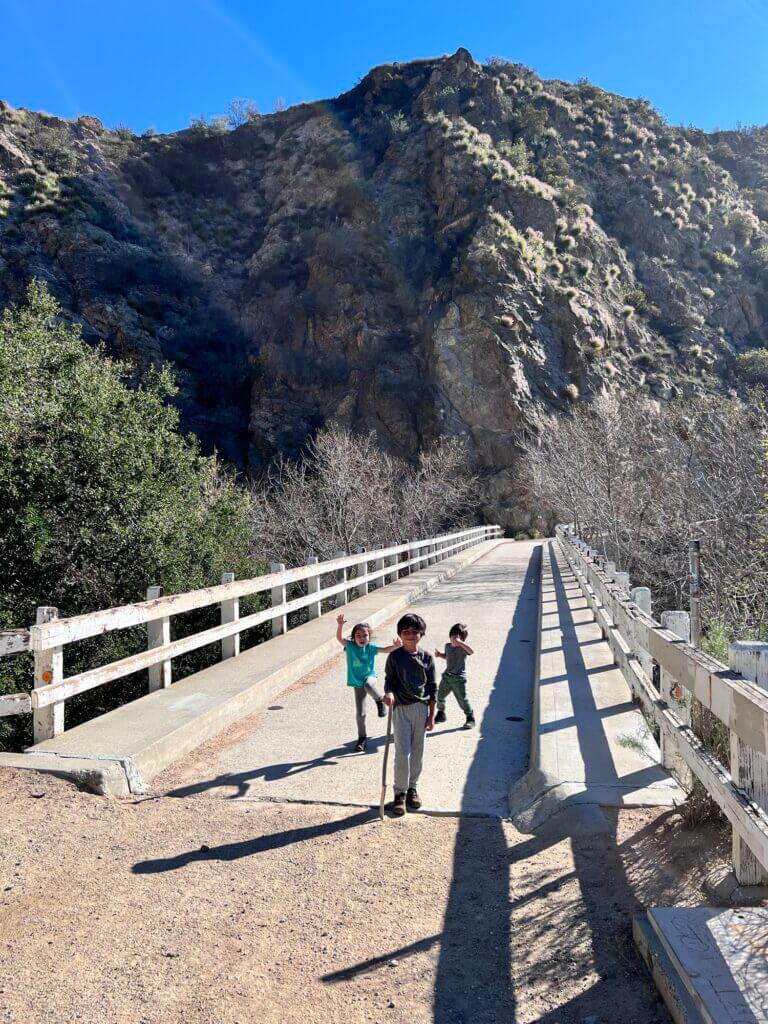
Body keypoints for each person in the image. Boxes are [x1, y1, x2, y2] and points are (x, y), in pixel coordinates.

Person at [382, 612, 436, 815]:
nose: (410, 635)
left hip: (421, 709)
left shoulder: (427, 657)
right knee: (402, 752)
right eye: (406, 632)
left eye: (415, 632)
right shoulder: (394, 657)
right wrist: (388, 693)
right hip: (401, 709)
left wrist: (431, 714)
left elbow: (432, 686)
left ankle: (413, 788)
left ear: (421, 634)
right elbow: (389, 680)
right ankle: (399, 793)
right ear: (400, 634)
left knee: (417, 751)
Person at [336, 614, 401, 752]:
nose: (362, 638)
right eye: (358, 635)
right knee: (361, 713)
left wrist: (395, 646)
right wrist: (340, 625)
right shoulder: (350, 646)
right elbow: (339, 638)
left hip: (370, 677)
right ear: (354, 637)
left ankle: (380, 700)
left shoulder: (371, 648)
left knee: (368, 685)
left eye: (365, 635)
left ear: (369, 637)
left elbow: (385, 650)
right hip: (356, 682)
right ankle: (362, 738)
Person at [434, 623, 475, 728]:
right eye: (453, 637)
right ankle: (441, 713)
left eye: (457, 638)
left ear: (462, 639)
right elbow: (448, 657)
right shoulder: (447, 646)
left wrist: (461, 643)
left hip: (459, 679)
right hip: (447, 677)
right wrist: (440, 655)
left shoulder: (463, 649)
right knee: (439, 696)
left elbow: (471, 651)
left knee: (462, 699)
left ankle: (470, 717)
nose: (454, 640)